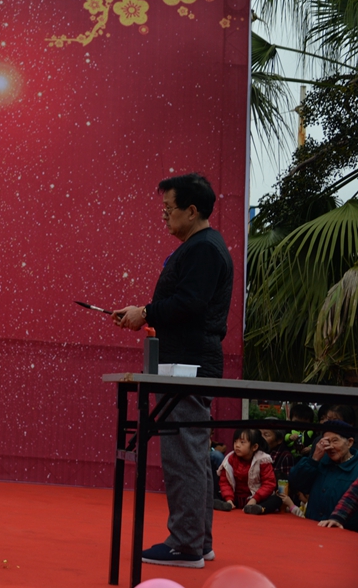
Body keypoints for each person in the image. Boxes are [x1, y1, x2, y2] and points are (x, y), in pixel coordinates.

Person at [114, 173, 234, 569]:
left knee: (184, 454)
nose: (164, 216)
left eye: (169, 209)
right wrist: (144, 314)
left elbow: (190, 304)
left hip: (188, 364)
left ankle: (185, 545)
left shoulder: (203, 249)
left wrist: (146, 312)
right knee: (192, 453)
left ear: (192, 210)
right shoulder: (201, 247)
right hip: (187, 360)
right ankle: (198, 541)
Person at [287, 421, 358, 531]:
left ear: (349, 442)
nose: (330, 446)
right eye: (326, 441)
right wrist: (313, 459)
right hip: (313, 527)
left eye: (335, 441)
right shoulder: (320, 461)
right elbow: (296, 482)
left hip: (344, 531)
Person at [215, 427, 280, 515]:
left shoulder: (263, 460)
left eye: (242, 442)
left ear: (254, 447)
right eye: (235, 441)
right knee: (213, 490)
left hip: (256, 499)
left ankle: (258, 509)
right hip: (234, 498)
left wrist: (254, 499)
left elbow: (269, 483)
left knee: (276, 500)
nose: (237, 445)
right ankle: (226, 505)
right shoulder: (230, 459)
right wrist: (229, 499)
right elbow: (224, 482)